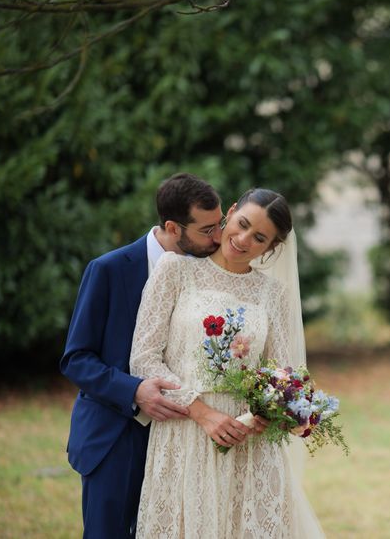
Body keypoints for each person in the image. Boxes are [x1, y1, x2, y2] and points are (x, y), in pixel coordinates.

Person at [130, 188, 324, 538]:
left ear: (271, 248)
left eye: (260, 237)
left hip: (248, 444)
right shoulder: (175, 271)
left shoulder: (272, 294)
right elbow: (144, 358)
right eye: (243, 223)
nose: (244, 239)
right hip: (185, 435)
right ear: (230, 212)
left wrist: (269, 412)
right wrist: (201, 412)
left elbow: (281, 372)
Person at [60, 173, 229, 539]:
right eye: (207, 230)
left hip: (182, 442)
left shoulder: (210, 272)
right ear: (172, 227)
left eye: (221, 225)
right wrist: (135, 391)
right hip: (115, 438)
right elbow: (76, 358)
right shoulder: (108, 269)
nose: (218, 238)